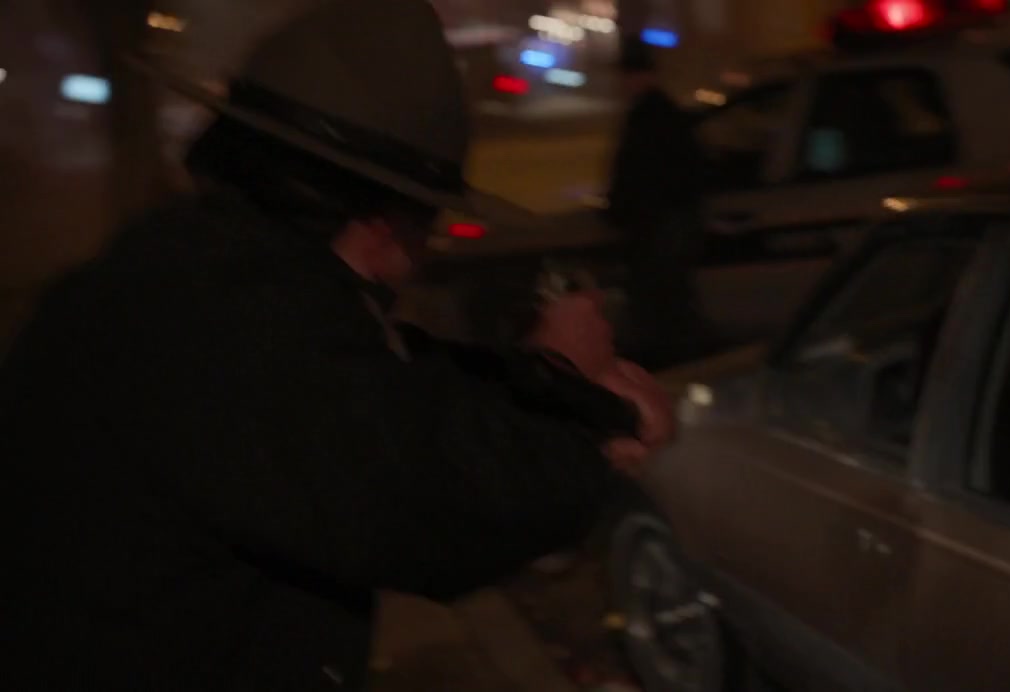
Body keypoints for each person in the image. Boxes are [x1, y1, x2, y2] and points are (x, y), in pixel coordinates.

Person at [0, 1, 673, 691]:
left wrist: (551, 387)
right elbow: (425, 502)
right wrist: (571, 400)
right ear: (383, 225)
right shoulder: (236, 319)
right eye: (427, 224)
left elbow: (395, 393)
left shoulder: (199, 276)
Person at [604, 34, 708, 369]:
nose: (624, 84)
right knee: (668, 300)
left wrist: (624, 211)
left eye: (628, 75)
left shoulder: (651, 116)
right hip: (660, 224)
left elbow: (643, 175)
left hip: (658, 227)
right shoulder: (659, 113)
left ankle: (673, 362)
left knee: (661, 301)